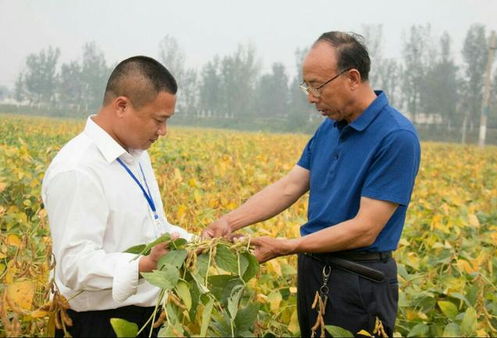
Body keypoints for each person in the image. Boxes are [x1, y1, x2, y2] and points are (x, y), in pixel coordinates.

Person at [202, 31, 420, 337]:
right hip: (314, 270)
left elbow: (366, 228)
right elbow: (289, 186)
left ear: (353, 78)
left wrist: (289, 246)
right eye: (307, 86)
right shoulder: (329, 129)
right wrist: (228, 221)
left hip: (360, 279)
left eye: (318, 86)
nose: (311, 97)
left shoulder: (396, 137)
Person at [42, 56, 192, 337]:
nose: (163, 131)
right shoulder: (78, 169)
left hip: (146, 318)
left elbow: (150, 231)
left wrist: (199, 243)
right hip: (96, 324)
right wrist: (141, 265)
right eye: (158, 120)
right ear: (122, 106)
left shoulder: (135, 155)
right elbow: (73, 265)